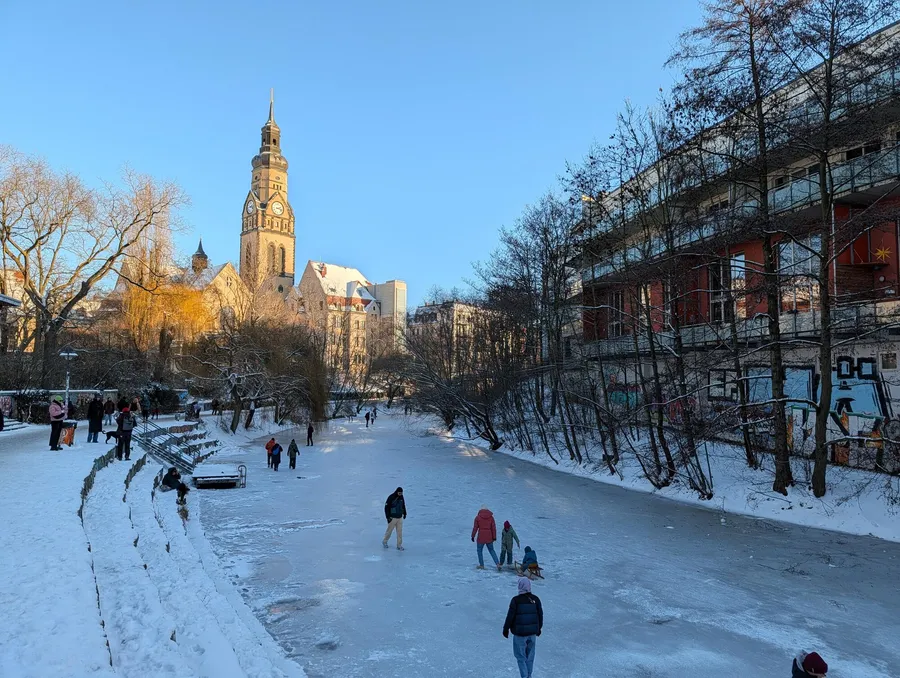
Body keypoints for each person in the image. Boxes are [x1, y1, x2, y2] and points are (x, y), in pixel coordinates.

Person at [503, 576, 543, 678]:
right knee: (530, 657)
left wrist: (506, 629)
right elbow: (540, 615)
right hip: (532, 634)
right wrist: (539, 628)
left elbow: (510, 615)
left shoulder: (516, 600)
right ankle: (529, 676)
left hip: (519, 634)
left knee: (521, 657)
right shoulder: (536, 599)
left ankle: (525, 677)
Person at [472, 505, 501, 570]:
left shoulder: (477, 518)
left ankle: (481, 565)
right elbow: (493, 528)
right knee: (491, 550)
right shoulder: (491, 518)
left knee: (479, 550)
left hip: (481, 537)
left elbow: (475, 528)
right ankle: (498, 564)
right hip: (489, 536)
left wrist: (473, 536)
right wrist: (494, 537)